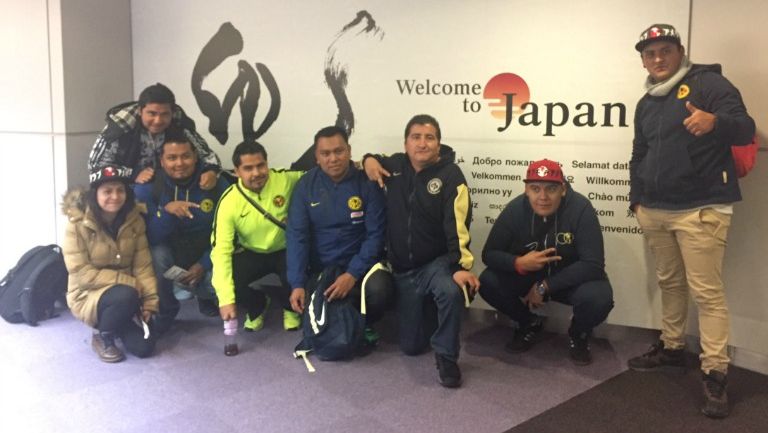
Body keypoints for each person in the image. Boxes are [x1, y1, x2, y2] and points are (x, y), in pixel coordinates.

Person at [627, 24, 755, 418]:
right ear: (644, 60)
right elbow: (639, 152)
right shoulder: (647, 101)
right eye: (650, 54)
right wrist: (636, 199)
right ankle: (672, 348)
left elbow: (746, 127)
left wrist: (715, 122)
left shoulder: (710, 85)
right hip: (655, 208)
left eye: (666, 50)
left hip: (700, 208)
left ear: (681, 51)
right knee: (669, 281)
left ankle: (715, 372)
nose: (658, 59)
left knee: (707, 293)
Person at [363, 114, 479, 388]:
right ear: (406, 143)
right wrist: (368, 159)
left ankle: (447, 356)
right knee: (412, 347)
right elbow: (370, 159)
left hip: (435, 264)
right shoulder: (394, 166)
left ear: (439, 144)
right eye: (416, 137)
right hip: (402, 269)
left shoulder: (451, 175)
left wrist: (459, 268)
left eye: (430, 137)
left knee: (450, 291)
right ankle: (426, 311)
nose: (422, 143)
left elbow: (458, 224)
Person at [479, 159, 614, 365]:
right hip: (529, 275)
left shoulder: (580, 208)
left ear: (563, 189)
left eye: (551, 189)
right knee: (488, 281)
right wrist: (518, 263)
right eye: (535, 189)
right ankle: (528, 323)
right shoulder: (516, 209)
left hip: (568, 280)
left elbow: (593, 264)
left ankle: (578, 334)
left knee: (599, 297)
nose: (543, 197)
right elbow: (489, 254)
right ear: (526, 190)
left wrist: (545, 286)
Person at [287, 126, 392, 349]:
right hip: (322, 268)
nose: (333, 159)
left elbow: (375, 235)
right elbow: (297, 237)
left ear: (350, 151)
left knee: (380, 289)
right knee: (314, 309)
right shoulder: (305, 186)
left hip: (361, 266)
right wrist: (296, 283)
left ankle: (365, 323)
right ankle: (344, 319)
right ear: (316, 157)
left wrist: (352, 274)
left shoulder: (367, 183)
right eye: (325, 154)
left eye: (339, 151)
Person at [134, 128, 229, 333]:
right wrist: (166, 212)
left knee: (215, 284)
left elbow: (230, 233)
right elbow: (150, 237)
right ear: (162, 160)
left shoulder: (216, 183)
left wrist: (204, 263)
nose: (179, 163)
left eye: (185, 156)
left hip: (208, 252)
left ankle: (204, 295)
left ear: (195, 157)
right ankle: (167, 310)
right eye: (172, 158)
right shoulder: (148, 187)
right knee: (155, 254)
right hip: (172, 254)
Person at [61, 165, 159, 363]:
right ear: (95, 194)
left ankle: (117, 321)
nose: (115, 196)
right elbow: (82, 274)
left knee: (144, 347)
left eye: (120, 190)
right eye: (107, 191)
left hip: (128, 293)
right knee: (125, 294)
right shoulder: (77, 224)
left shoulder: (134, 220)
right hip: (87, 293)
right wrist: (130, 283)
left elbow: (143, 266)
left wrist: (149, 303)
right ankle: (103, 336)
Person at [210, 140, 303, 334]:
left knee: (297, 269)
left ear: (267, 163)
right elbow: (220, 252)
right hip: (252, 251)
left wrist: (363, 164)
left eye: (261, 165)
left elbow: (320, 175)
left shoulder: (285, 179)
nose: (256, 173)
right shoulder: (229, 202)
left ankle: (289, 306)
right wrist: (226, 300)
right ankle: (258, 304)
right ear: (236, 171)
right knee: (226, 279)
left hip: (285, 249)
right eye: (248, 168)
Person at [88, 83, 221, 188]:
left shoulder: (181, 125)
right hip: (125, 192)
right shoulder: (118, 128)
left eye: (165, 114)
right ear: (140, 111)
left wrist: (211, 172)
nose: (158, 121)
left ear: (172, 112)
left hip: (171, 190)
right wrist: (132, 174)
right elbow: (96, 167)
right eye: (152, 113)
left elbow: (209, 156)